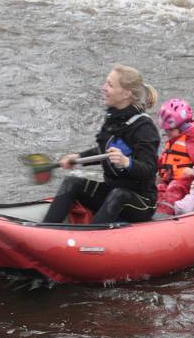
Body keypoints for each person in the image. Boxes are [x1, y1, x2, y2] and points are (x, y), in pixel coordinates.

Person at [42, 64, 160, 225]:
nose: (103, 88)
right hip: (111, 191)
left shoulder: (144, 128)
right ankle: (47, 228)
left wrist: (127, 162)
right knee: (72, 182)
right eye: (105, 83)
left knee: (119, 194)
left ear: (127, 93)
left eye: (110, 85)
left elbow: (149, 169)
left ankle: (90, 240)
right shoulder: (113, 118)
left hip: (141, 202)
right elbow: (104, 151)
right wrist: (78, 158)